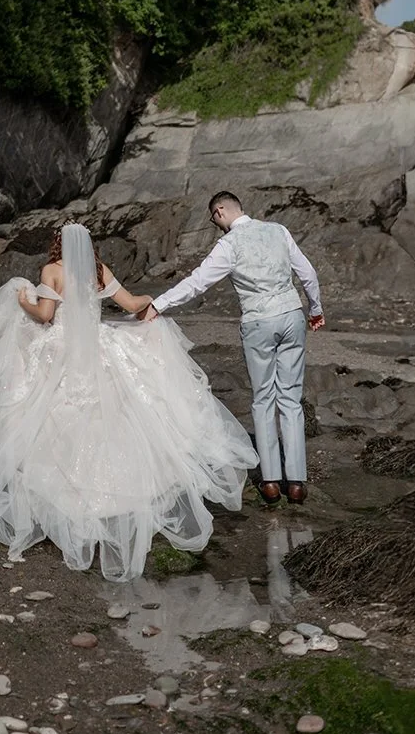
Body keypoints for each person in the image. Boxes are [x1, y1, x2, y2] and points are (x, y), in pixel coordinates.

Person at [0, 222, 258, 581]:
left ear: (59, 244)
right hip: (99, 348)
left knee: (48, 414)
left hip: (64, 350)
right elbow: (132, 304)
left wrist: (23, 300)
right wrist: (156, 309)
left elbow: (45, 316)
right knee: (115, 415)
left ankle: (69, 501)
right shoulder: (99, 271)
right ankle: (121, 496)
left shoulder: (51, 271)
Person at [139, 191, 325, 505]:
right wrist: (315, 309)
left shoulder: (229, 244)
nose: (216, 225)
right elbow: (307, 273)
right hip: (292, 315)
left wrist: (159, 304)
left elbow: (198, 282)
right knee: (291, 399)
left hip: (258, 321)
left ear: (221, 210)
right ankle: (296, 482)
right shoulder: (279, 231)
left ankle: (269, 482)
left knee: (264, 399)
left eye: (214, 218)